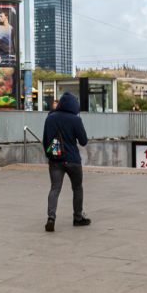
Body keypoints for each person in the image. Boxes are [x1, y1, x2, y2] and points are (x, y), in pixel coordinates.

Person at [42, 91, 90, 232]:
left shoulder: (50, 118)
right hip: (73, 160)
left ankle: (51, 218)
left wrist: (50, 155)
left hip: (56, 159)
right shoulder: (75, 119)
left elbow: (46, 140)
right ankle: (78, 218)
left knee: (55, 188)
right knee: (77, 188)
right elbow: (83, 141)